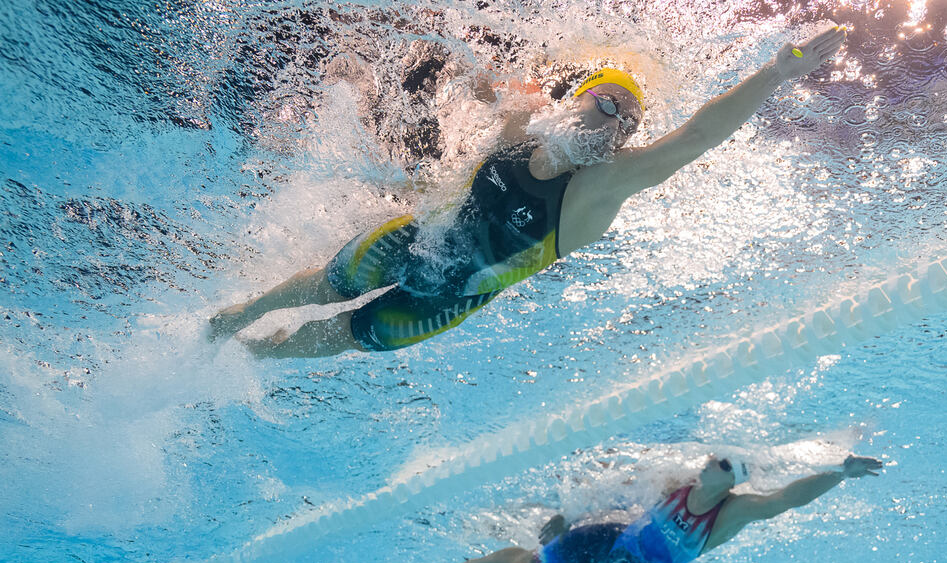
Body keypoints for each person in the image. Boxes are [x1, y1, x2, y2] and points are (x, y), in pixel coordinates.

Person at [209, 27, 848, 357]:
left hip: (445, 303)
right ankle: (230, 320)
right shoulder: (521, 125)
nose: (618, 123)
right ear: (577, 99)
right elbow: (482, 79)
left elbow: (695, 137)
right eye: (609, 104)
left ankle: (248, 366)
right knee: (327, 281)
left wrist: (775, 74)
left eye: (628, 122)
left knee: (343, 337)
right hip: (411, 242)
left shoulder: (594, 194)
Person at [445, 453, 882, 563]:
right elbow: (610, 496)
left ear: (733, 480)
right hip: (612, 537)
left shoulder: (731, 514)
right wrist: (566, 517)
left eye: (724, 463)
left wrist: (840, 472)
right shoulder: (676, 482)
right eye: (716, 456)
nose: (712, 460)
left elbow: (786, 499)